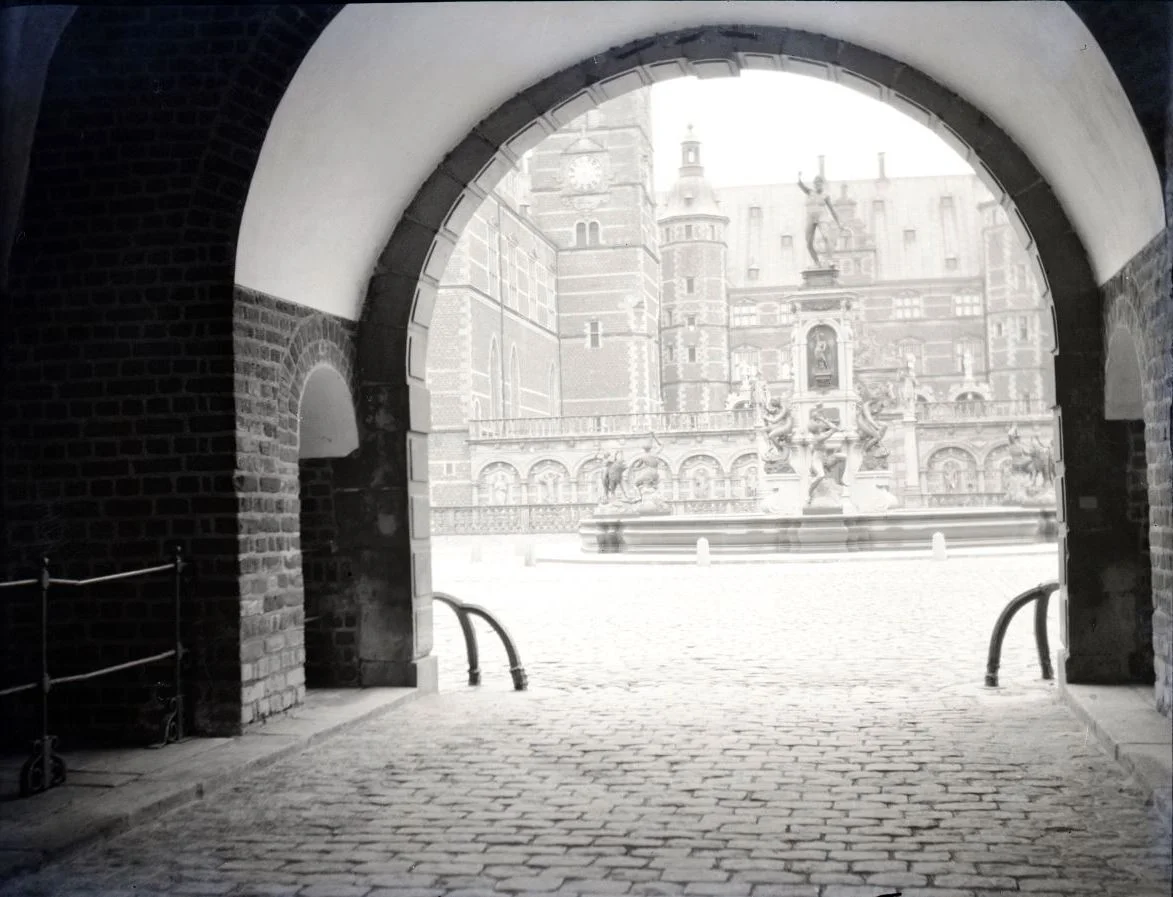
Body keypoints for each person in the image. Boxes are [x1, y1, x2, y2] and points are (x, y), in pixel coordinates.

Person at [797, 172, 842, 267]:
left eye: (820, 183)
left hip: (822, 217)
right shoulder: (810, 192)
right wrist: (799, 177)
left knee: (826, 237)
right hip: (810, 217)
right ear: (814, 185)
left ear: (822, 184)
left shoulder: (825, 196)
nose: (818, 185)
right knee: (808, 243)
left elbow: (832, 210)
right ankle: (817, 262)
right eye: (816, 183)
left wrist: (839, 223)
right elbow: (801, 185)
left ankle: (829, 260)